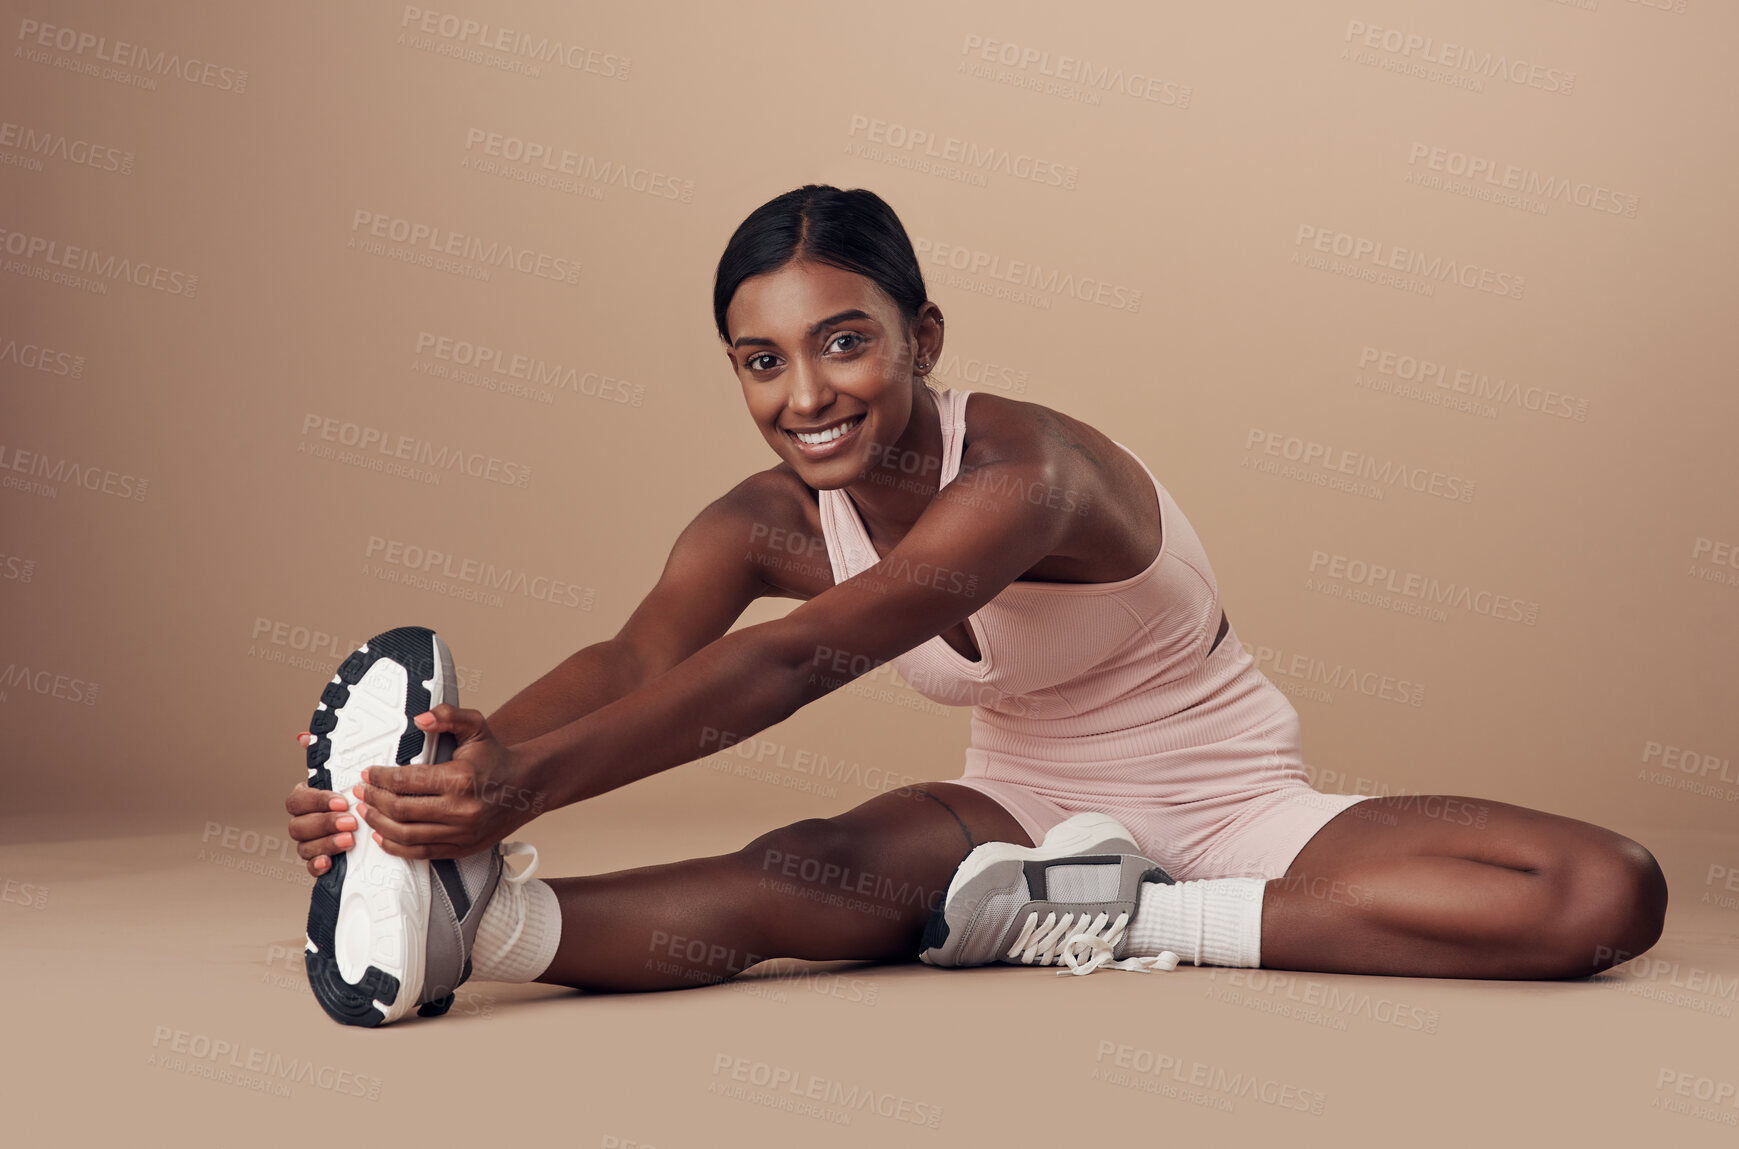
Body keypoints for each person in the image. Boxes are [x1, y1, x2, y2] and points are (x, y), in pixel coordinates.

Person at [285, 184, 1667, 1026]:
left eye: (845, 340)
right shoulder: (762, 520)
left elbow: (810, 655)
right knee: (804, 869)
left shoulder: (1029, 475)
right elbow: (638, 652)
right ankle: (485, 925)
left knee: (1604, 893)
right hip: (1017, 809)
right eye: (761, 361)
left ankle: (1131, 916)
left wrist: (522, 785)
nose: (807, 394)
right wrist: (432, 788)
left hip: (1239, 802)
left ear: (920, 337)